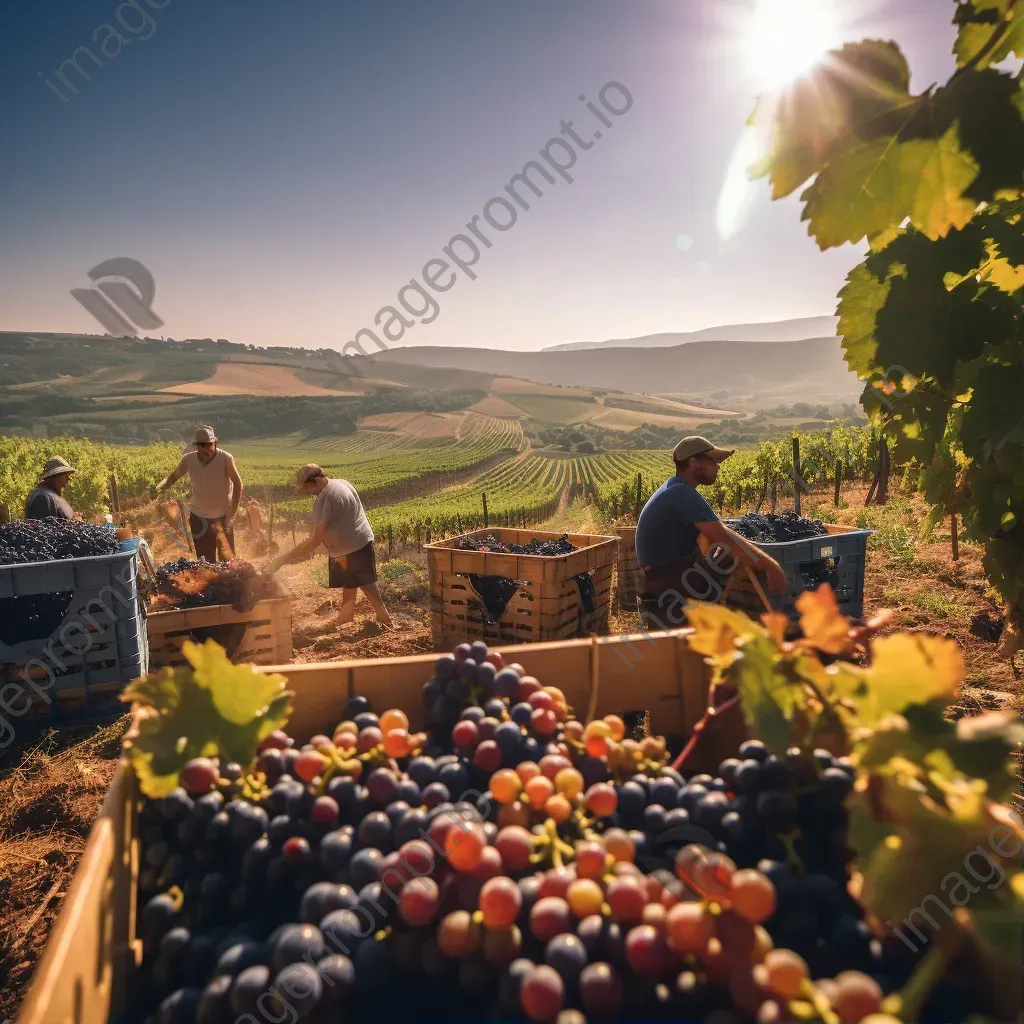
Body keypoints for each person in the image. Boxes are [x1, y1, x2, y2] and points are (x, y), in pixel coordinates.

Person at [634, 436, 788, 628]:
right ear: (694, 463)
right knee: (729, 554)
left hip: (658, 580)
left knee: (725, 555)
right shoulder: (682, 494)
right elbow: (723, 537)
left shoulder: (673, 488)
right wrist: (771, 566)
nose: (718, 467)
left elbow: (707, 537)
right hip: (668, 583)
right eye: (713, 461)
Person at [265, 464, 394, 630]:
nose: (306, 491)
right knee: (351, 579)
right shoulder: (342, 483)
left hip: (349, 545)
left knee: (364, 581)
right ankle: (346, 616)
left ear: (316, 480)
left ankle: (384, 616)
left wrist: (282, 560)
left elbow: (315, 541)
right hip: (361, 538)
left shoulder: (324, 499)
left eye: (306, 487)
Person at [153, 426, 243, 562]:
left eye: (210, 444)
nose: (207, 448)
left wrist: (231, 514)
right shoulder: (188, 460)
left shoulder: (226, 459)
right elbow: (172, 478)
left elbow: (238, 484)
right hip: (199, 519)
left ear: (215, 443)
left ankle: (230, 583)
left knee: (229, 562)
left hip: (223, 518)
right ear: (197, 446)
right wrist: (158, 488)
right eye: (202, 445)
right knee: (206, 562)